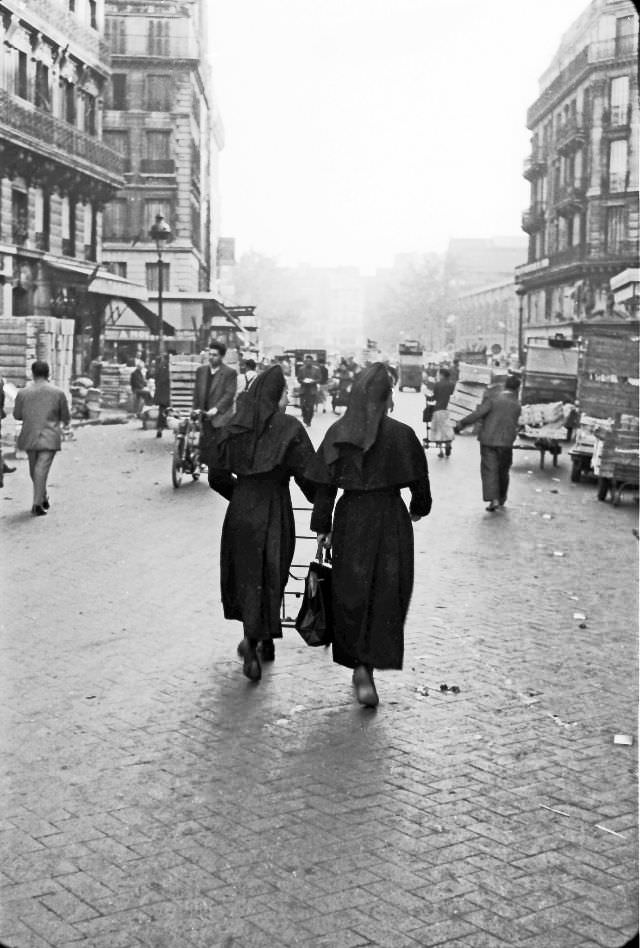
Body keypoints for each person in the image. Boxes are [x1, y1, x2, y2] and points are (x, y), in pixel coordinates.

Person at [306, 363, 432, 708]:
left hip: (350, 519)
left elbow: (325, 487)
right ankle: (370, 663)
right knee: (387, 591)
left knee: (351, 589)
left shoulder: (338, 432)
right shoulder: (402, 434)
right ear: (388, 397)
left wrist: (322, 528)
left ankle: (358, 665)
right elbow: (420, 485)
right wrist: (419, 507)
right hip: (390, 519)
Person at [208, 365, 316, 682]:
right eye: (285, 393)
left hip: (241, 511)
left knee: (247, 576)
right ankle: (255, 642)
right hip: (276, 509)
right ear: (277, 395)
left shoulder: (232, 426)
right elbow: (308, 476)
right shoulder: (289, 428)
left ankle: (258, 637)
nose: (286, 399)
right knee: (273, 573)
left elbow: (216, 477)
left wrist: (241, 496)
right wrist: (321, 505)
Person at [453, 374, 522, 512]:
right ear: (518, 389)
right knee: (503, 471)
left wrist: (461, 424)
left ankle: (494, 500)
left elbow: (478, 414)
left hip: (488, 440)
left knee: (490, 470)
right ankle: (501, 499)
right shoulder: (517, 405)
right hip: (506, 442)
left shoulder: (494, 399)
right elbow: (517, 423)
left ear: (505, 386)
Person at [13, 360, 71, 516]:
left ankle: (38, 501)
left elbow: (17, 415)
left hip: (30, 436)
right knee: (41, 469)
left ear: (33, 374)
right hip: (50, 436)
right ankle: (40, 500)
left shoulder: (23, 393)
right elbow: (65, 416)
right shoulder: (58, 393)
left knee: (35, 469)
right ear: (48, 374)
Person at [193, 340, 238, 465]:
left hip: (220, 417)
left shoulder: (229, 373)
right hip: (204, 414)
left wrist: (216, 409)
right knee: (205, 445)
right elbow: (196, 392)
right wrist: (195, 408)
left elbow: (229, 394)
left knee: (218, 448)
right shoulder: (201, 371)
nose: (211, 358)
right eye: (210, 354)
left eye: (215, 355)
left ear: (222, 356)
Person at [429, 367, 456, 458]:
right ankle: (448, 444)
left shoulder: (437, 385)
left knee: (438, 430)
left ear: (442, 375)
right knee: (448, 429)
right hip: (450, 410)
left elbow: (434, 397)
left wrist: (428, 396)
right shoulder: (452, 384)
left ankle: (441, 450)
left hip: (439, 410)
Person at [296, 354, 321, 427]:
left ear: (312, 361)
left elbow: (319, 378)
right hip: (304, 389)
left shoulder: (317, 369)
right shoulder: (301, 369)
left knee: (311, 406)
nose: (308, 362)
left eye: (310, 361)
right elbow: (299, 379)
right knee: (303, 405)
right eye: (307, 361)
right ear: (305, 361)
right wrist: (302, 381)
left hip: (312, 390)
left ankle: (309, 420)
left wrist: (313, 381)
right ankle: (304, 417)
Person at [153, 354, 171, 438]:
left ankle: (160, 429)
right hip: (168, 392)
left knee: (162, 411)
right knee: (166, 411)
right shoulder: (171, 366)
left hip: (161, 392)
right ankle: (163, 427)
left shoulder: (161, 365)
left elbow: (155, 378)